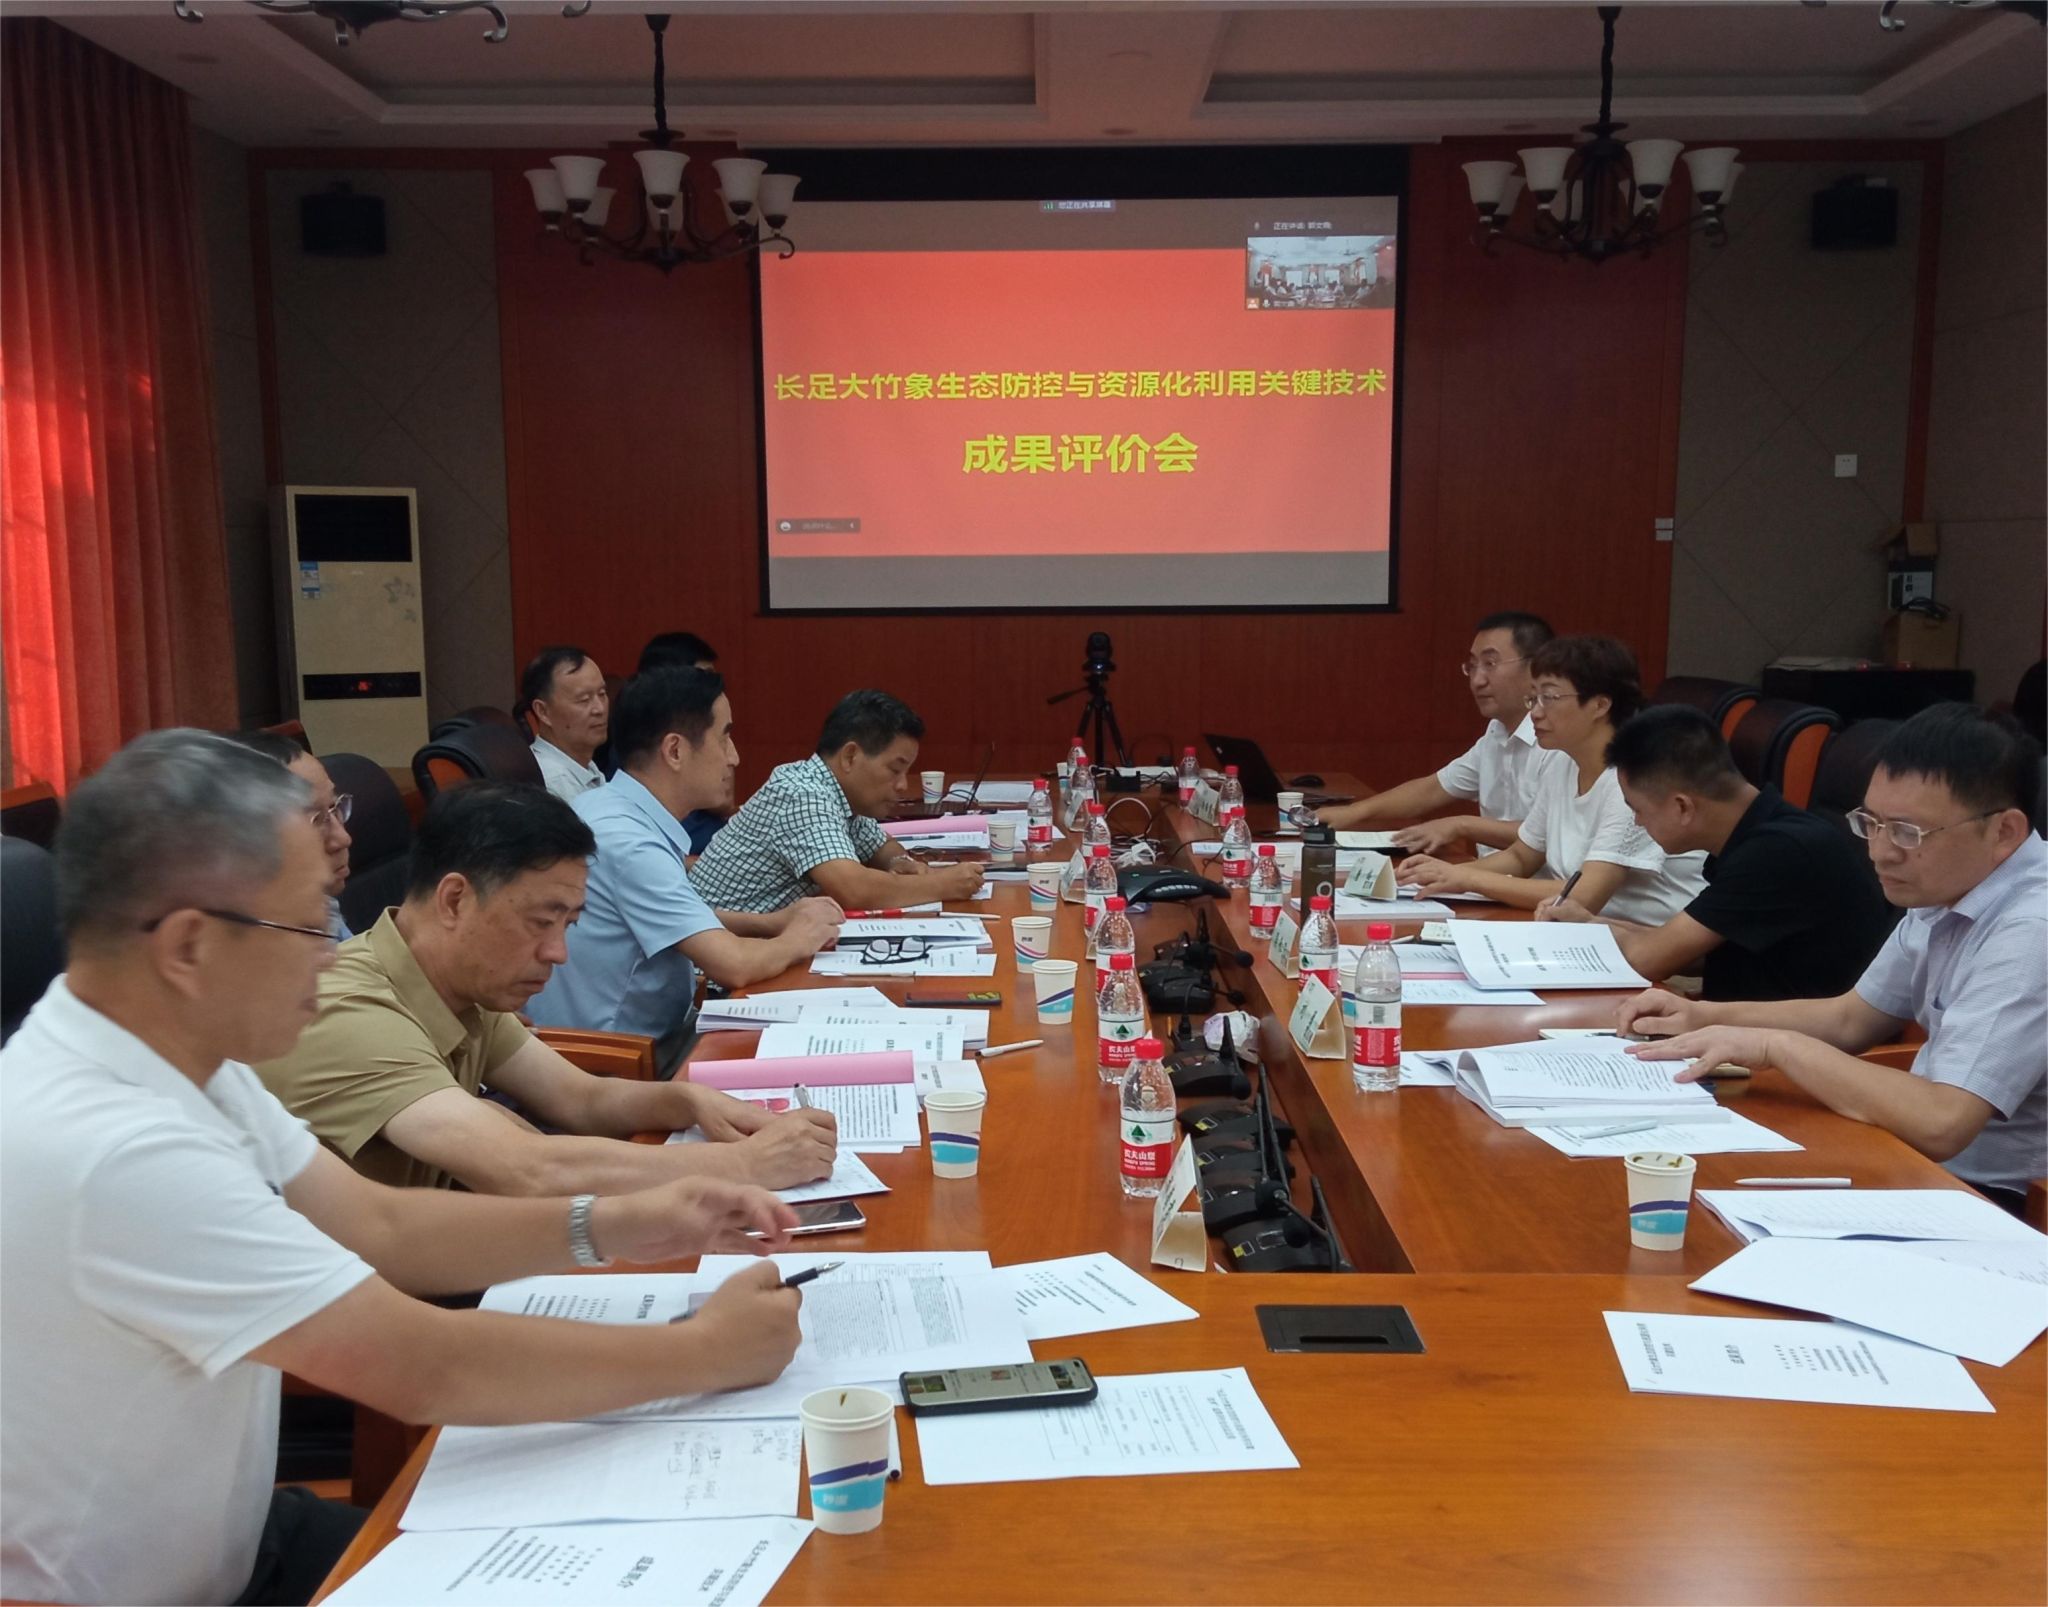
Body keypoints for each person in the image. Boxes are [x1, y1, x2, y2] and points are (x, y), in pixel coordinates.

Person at [0, 731, 805, 1607]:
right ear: (188, 946)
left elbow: (379, 1223)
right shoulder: (116, 1147)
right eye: (307, 924)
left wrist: (622, 1222)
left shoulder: (178, 1055)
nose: (329, 951)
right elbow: (422, 1367)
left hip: (236, 1540)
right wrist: (704, 1351)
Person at [258, 782, 838, 1196]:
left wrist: (688, 1101)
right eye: (541, 922)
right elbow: (525, 1168)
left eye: (569, 924)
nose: (558, 952)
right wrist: (743, 1166)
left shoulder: (459, 983)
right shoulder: (350, 1009)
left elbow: (580, 1099)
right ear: (455, 900)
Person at [1625, 704, 2046, 1209]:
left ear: (2004, 832)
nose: (1880, 852)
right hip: (1908, 1156)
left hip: (1993, 1200)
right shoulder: (1950, 881)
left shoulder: (2031, 931)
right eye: (1872, 823)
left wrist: (1777, 1046)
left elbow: (1944, 1121)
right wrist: (1701, 1016)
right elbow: (1852, 1017)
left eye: (1908, 833)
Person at [529, 666, 843, 1068]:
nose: (734, 757)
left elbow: (672, 916)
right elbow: (734, 965)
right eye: (724, 737)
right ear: (675, 751)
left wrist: (770, 923)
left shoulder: (609, 806)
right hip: (620, 1064)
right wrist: (800, 937)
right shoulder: (628, 841)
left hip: (652, 1041)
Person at [1535, 705, 1894, 998]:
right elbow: (1691, 951)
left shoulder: (1777, 852)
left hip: (1791, 1048)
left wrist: (1591, 931)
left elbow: (1649, 960)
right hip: (1738, 1024)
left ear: (1682, 807)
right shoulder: (1758, 831)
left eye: (1638, 809)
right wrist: (1589, 924)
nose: (1638, 822)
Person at [1398, 634, 1706, 921]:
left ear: (1600, 705)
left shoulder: (1634, 778)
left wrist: (1468, 877)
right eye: (1533, 698)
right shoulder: (1562, 761)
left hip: (1651, 945)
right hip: (1579, 930)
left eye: (1550, 697)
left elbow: (1582, 897)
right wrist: (1443, 874)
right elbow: (1522, 857)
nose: (1535, 712)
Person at [689, 690, 985, 914]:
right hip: (708, 960)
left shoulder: (839, 795)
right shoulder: (802, 794)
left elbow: (882, 846)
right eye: (895, 769)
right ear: (850, 756)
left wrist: (900, 863)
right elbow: (853, 890)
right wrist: (941, 884)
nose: (902, 785)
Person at [1316, 611, 1565, 855]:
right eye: (1473, 666)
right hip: (1490, 875)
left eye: (1490, 664)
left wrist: (1461, 826)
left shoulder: (1560, 742)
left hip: (1535, 882)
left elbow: (1549, 833)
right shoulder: (1496, 733)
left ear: (1536, 668)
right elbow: (1434, 788)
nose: (1477, 680)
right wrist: (1353, 812)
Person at [227, 729, 357, 940]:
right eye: (316, 820)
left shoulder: (320, 905)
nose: (342, 839)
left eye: (334, 808)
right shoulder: (246, 943)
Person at [636, 630, 724, 850]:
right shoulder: (639, 741)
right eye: (704, 677)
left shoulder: (707, 725)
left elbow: (725, 802)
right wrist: (687, 862)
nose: (733, 758)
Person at [521, 645, 609, 801]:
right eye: (584, 700)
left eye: (602, 694)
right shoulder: (552, 783)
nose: (600, 709)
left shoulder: (583, 763)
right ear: (543, 711)